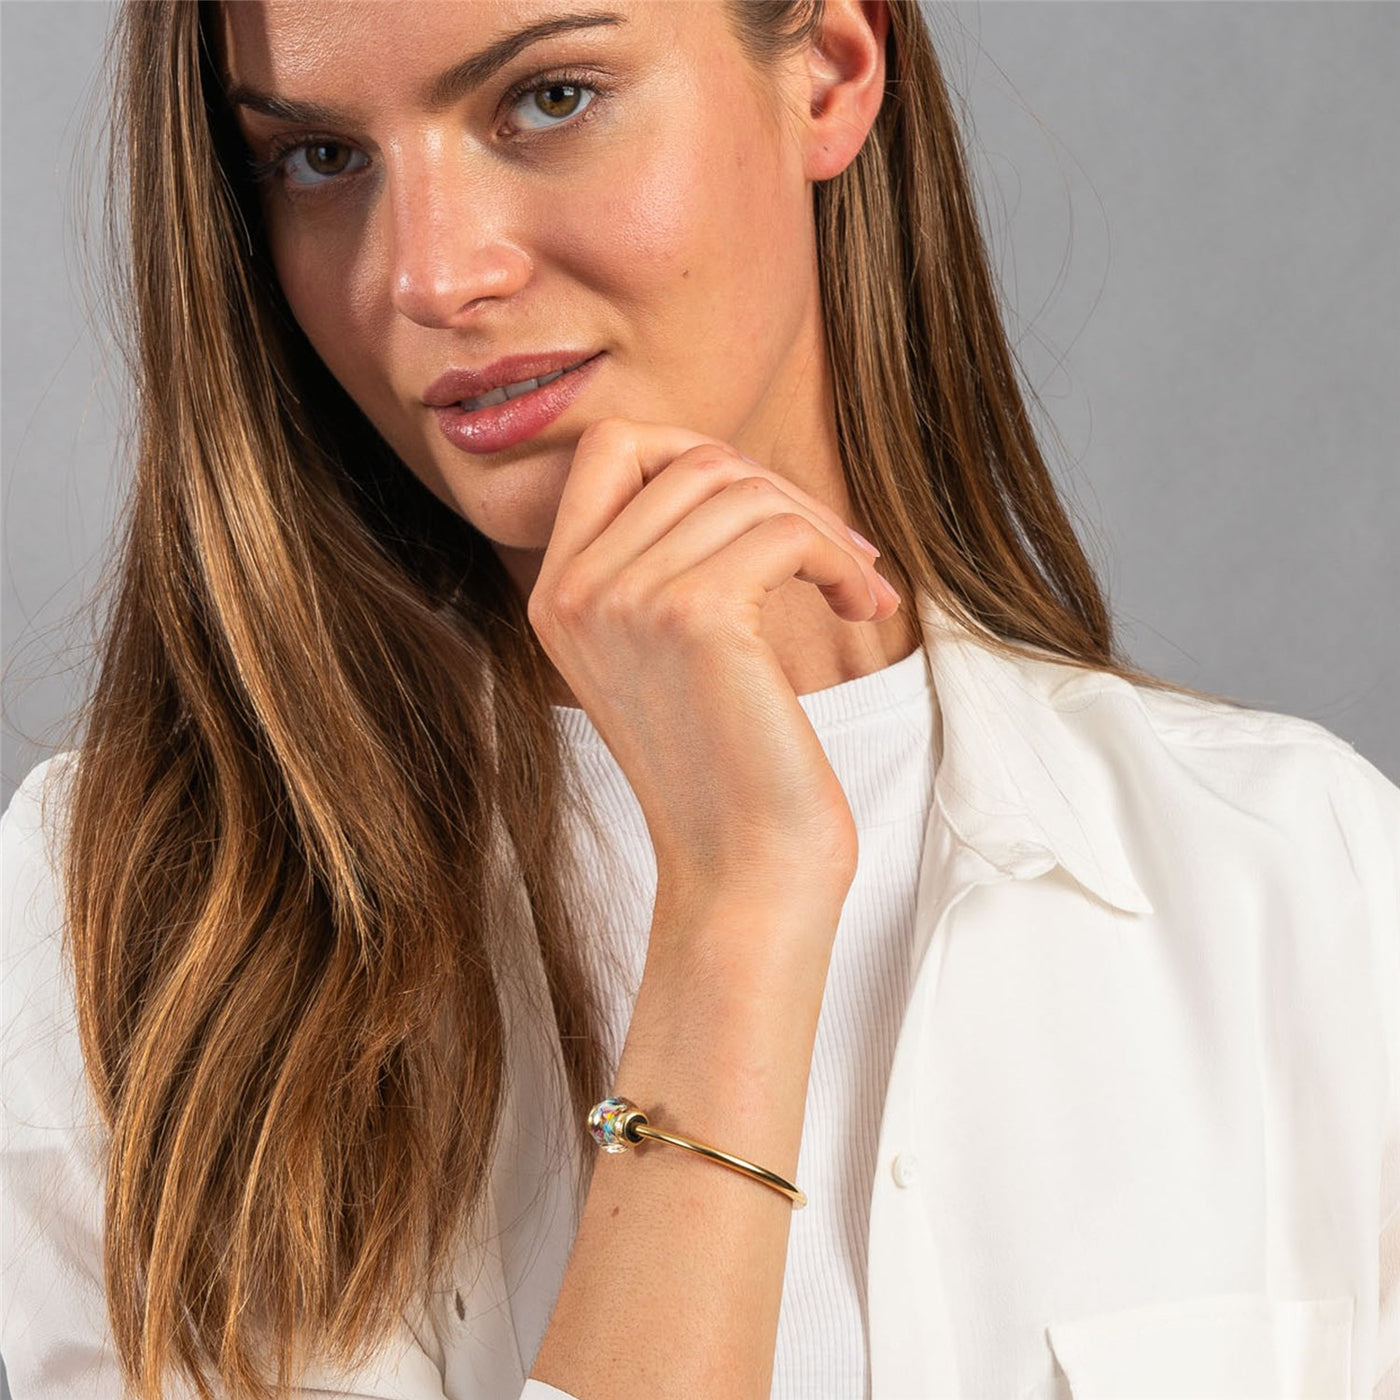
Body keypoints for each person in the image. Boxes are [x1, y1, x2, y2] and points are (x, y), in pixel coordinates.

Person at [2, 0, 1396, 1397]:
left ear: (831, 70)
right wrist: (737, 910)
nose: (429, 277)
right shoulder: (116, 923)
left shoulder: (1307, 876)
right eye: (320, 159)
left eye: (550, 99)